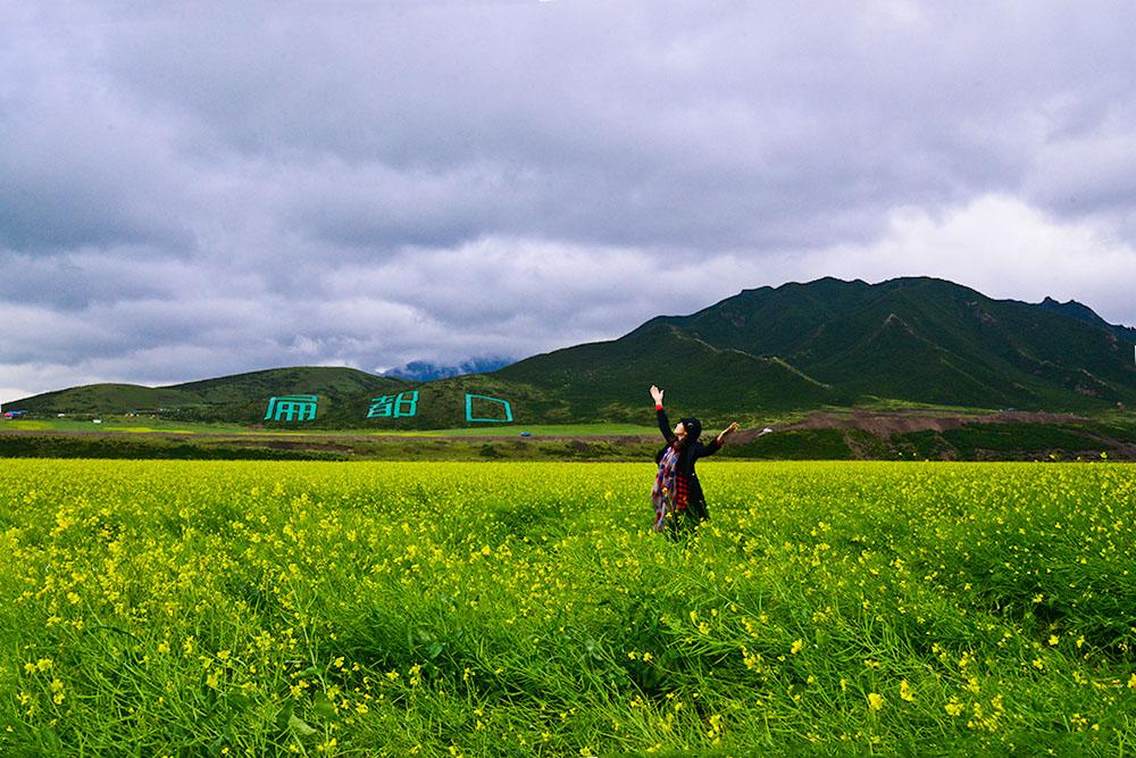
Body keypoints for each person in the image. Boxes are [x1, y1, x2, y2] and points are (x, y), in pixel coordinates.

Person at [649, 384, 739, 537]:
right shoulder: (673, 445)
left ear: (686, 431)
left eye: (680, 424)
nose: (677, 425)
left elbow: (707, 450)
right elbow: (664, 427)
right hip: (668, 487)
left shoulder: (692, 447)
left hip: (684, 488)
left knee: (685, 515)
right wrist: (658, 402)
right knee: (671, 514)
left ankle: (686, 537)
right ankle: (673, 534)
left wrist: (721, 437)